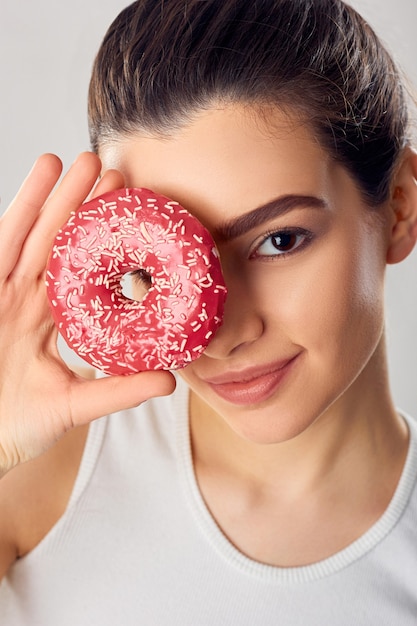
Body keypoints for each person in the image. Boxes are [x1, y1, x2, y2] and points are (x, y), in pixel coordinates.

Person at [0, 0, 416, 623]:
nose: (221, 334)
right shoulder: (47, 464)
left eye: (279, 241)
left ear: (401, 208)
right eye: (156, 270)